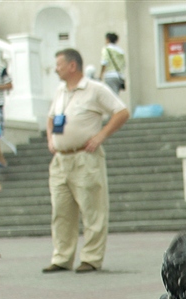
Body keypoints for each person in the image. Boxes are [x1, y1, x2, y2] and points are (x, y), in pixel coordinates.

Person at [44, 48, 129, 273]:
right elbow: (51, 118)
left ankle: (91, 257)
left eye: (59, 64)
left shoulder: (95, 89)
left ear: (72, 66)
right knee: (61, 211)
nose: (56, 69)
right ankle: (62, 257)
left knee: (93, 209)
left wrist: (100, 136)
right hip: (61, 160)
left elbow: (121, 112)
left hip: (85, 158)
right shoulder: (60, 91)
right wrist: (51, 139)